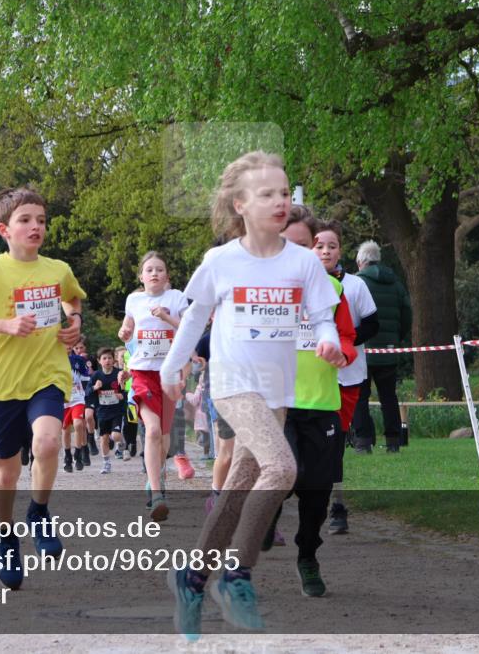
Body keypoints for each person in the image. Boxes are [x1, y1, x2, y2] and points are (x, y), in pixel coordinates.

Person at [161, 151, 344, 640]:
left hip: (277, 391)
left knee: (240, 484)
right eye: (267, 194)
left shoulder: (303, 262)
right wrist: (171, 365)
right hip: (234, 384)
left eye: (285, 192)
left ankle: (193, 576)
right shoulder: (221, 261)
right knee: (282, 469)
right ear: (240, 204)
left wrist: (326, 337)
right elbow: (195, 317)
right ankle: (236, 576)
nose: (280, 201)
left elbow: (323, 313)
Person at [0, 186, 85, 591]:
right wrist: (3, 325)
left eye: (41, 221)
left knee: (47, 443)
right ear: (4, 229)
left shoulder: (57, 270)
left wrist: (75, 322)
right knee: (5, 474)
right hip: (6, 383)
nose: (35, 227)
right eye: (25, 220)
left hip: (47, 375)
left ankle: (39, 510)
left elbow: (73, 300)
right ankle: (6, 536)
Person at [265, 207, 357, 596]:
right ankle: (267, 513)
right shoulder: (260, 288)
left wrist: (341, 354)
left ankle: (307, 556)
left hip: (321, 404)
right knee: (287, 472)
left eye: (307, 245)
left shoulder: (333, 291)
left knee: (317, 491)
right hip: (276, 401)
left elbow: (349, 338)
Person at [317, 224, 379, 535]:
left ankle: (337, 505)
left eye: (332, 246)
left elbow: (373, 323)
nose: (325, 251)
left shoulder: (355, 286)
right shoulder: (296, 287)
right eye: (319, 246)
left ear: (341, 251)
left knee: (336, 444)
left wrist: (345, 343)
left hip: (347, 375)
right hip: (308, 378)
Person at [119, 251, 189, 520]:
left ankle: (154, 477)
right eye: (149, 270)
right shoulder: (134, 300)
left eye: (160, 269)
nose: (155, 274)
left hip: (169, 374)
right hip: (142, 372)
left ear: (167, 276)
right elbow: (126, 328)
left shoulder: (176, 298)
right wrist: (124, 332)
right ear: (141, 276)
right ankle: (157, 494)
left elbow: (188, 329)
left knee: (164, 435)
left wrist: (167, 317)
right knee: (153, 430)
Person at [353, 239, 410, 454]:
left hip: (363, 349)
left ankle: (363, 441)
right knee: (389, 396)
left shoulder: (357, 282)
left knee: (360, 396)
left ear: (361, 262)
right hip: (389, 350)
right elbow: (407, 313)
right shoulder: (395, 283)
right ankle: (393, 441)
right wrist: (395, 339)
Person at [87, 347, 126, 474]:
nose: (107, 360)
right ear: (99, 361)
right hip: (102, 412)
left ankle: (120, 444)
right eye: (104, 358)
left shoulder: (119, 373)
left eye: (109, 358)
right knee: (104, 438)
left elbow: (127, 390)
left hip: (116, 410)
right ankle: (106, 463)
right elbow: (87, 393)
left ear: (114, 359)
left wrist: (122, 395)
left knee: (115, 436)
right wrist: (94, 387)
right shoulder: (96, 376)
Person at [62, 341, 90, 473]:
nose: (67, 345)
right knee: (65, 430)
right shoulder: (53, 360)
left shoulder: (78, 360)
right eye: (63, 343)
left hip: (78, 397)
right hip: (62, 401)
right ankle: (67, 457)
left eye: (69, 344)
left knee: (79, 425)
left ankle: (78, 454)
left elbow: (86, 377)